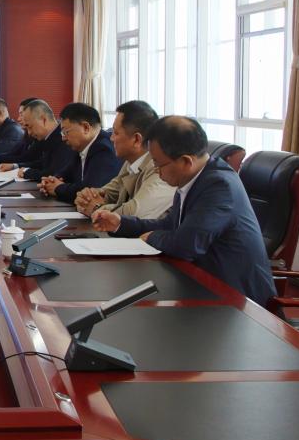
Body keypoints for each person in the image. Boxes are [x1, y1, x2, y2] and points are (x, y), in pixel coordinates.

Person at [92, 116, 276, 306]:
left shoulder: (219, 186)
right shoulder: (195, 178)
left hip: (237, 300)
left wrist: (153, 237)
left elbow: (187, 244)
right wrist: (121, 223)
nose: (157, 171)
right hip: (200, 284)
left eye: (159, 164)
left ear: (186, 161)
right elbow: (170, 224)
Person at [75, 101, 174, 219]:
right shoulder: (130, 162)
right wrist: (86, 197)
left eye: (116, 133)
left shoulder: (160, 167)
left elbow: (135, 213)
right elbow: (109, 192)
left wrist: (97, 207)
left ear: (136, 139)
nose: (111, 138)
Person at [39, 102, 121, 203]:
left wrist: (57, 188)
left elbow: (90, 191)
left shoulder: (104, 149)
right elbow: (64, 174)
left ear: (86, 127)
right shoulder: (81, 147)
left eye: (65, 132)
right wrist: (49, 182)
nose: (63, 138)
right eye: (62, 133)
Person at [0, 99, 75, 181]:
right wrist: (15, 166)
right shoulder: (48, 136)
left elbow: (55, 173)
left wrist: (27, 172)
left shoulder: (63, 137)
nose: (29, 133)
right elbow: (43, 163)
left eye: (30, 127)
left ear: (44, 120)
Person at [0, 97, 42, 167]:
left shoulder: (14, 129)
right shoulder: (27, 134)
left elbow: (25, 159)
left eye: (22, 115)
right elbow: (13, 153)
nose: (18, 119)